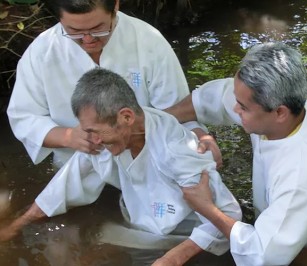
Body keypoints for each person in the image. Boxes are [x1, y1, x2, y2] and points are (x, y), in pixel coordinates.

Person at [166, 42, 307, 265]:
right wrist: (159, 118)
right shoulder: (281, 106)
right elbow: (216, 99)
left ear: (280, 113)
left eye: (242, 107)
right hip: (300, 231)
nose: (235, 109)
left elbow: (261, 256)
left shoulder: (304, 175)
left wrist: (207, 207)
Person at [0, 68, 242, 265]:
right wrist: (16, 225)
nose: (91, 140)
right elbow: (66, 184)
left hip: (185, 237)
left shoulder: (179, 152)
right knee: (79, 247)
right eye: (88, 131)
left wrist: (173, 258)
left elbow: (229, 215)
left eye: (96, 132)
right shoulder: (105, 137)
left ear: (126, 117)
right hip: (137, 225)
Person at [6, 0, 220, 170]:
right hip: (76, 166)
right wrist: (69, 137)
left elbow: (177, 110)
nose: (88, 40)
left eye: (98, 29)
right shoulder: (42, 53)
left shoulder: (148, 41)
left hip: (148, 163)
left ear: (115, 6)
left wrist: (199, 136)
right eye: (74, 32)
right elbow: (24, 118)